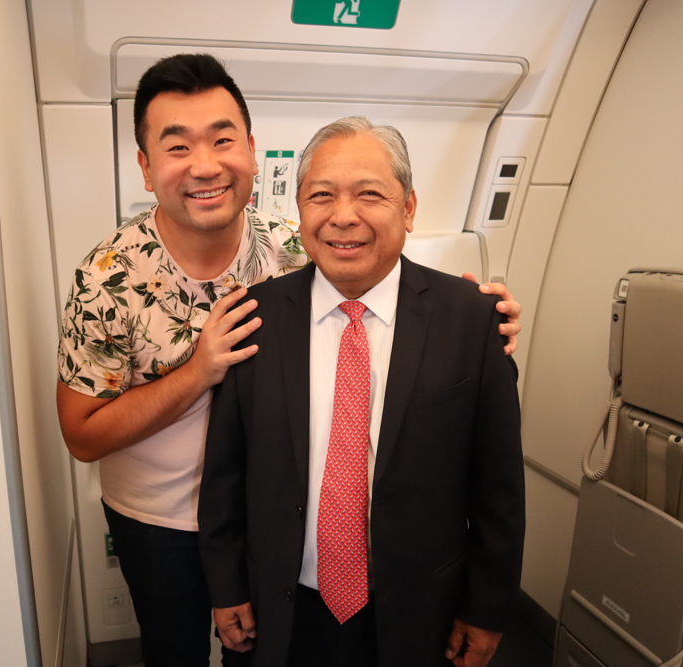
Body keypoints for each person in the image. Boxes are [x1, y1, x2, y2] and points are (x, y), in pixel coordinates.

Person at [57, 54, 521, 667]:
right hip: (161, 519)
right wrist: (200, 370)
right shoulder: (106, 278)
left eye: (222, 139)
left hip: (280, 520)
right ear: (145, 167)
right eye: (177, 147)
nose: (204, 165)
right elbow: (82, 436)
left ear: (250, 150)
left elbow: (380, 274)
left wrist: (481, 319)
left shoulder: (294, 243)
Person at [198, 117, 525, 667]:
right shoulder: (253, 317)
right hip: (281, 608)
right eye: (320, 195)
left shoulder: (472, 321)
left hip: (423, 613)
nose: (342, 215)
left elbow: (498, 489)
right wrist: (226, 586)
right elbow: (226, 472)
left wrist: (487, 608)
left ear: (409, 208)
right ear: (300, 210)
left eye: (370, 194)